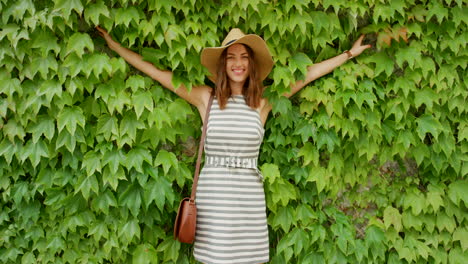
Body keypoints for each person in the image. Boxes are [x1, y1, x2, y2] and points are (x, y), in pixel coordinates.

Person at [97, 26, 370, 264]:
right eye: (231, 58)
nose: (237, 63)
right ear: (223, 64)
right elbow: (158, 73)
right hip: (214, 195)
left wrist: (348, 54)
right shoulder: (207, 98)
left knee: (248, 259)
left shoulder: (262, 101)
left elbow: (307, 75)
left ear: (251, 64)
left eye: (243, 58)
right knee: (215, 258)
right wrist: (115, 46)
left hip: (247, 196)